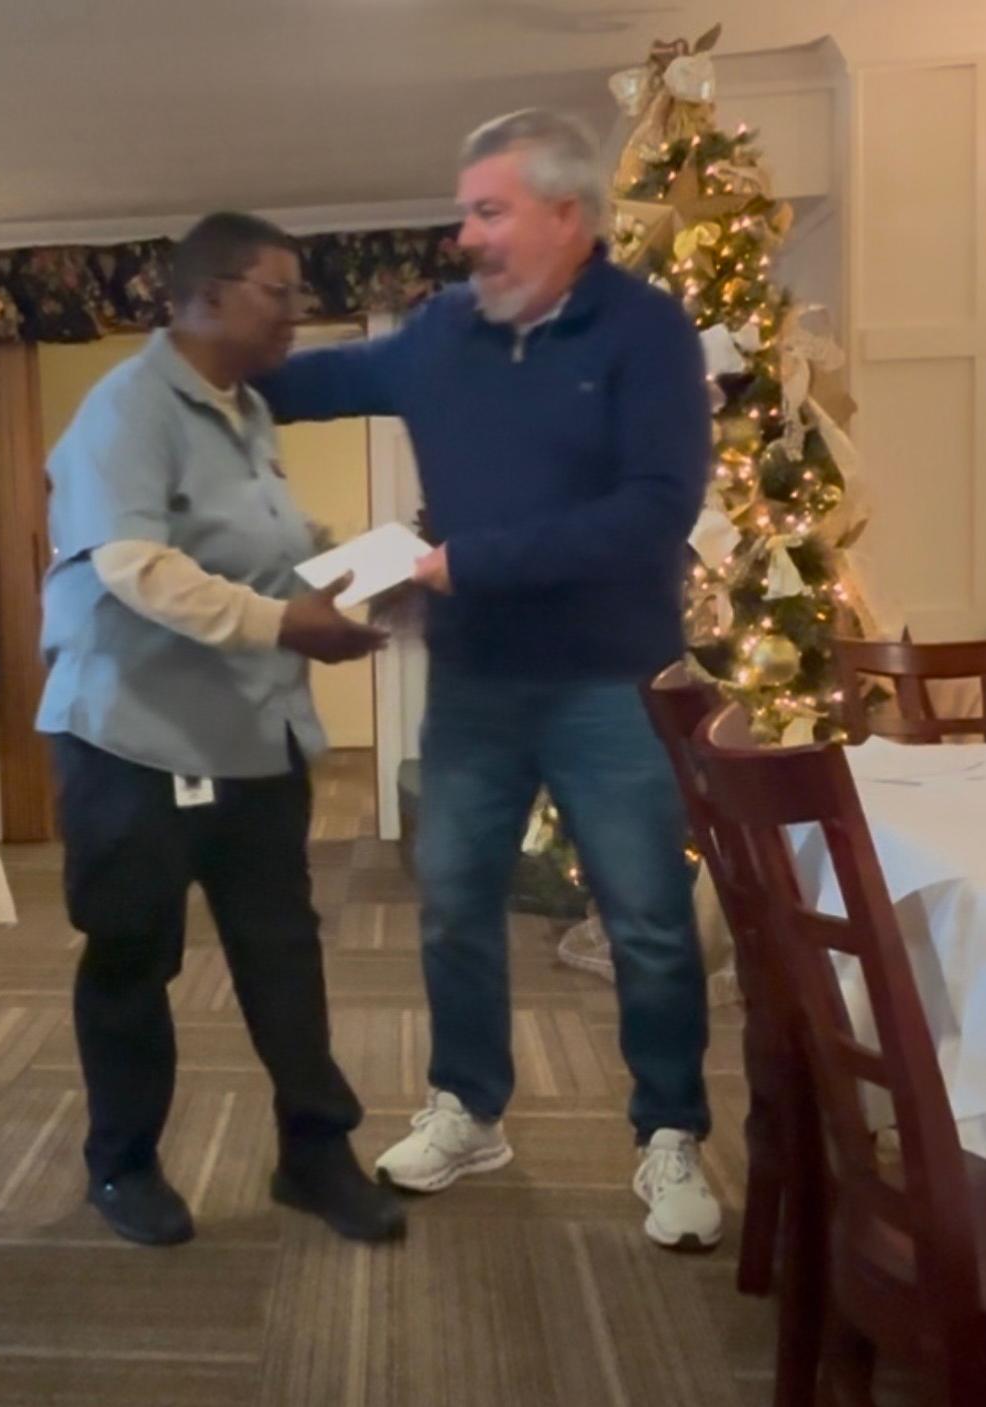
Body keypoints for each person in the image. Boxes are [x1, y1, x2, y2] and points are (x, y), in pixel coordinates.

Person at [255, 111, 721, 1250]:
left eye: (488, 211)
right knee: (455, 907)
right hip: (474, 683)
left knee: (649, 924)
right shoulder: (441, 332)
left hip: (610, 684)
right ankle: (469, 1109)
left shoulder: (648, 333)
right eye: (466, 211)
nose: (464, 235)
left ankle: (670, 1132)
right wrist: (195, 373)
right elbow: (314, 382)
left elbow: (656, 510)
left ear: (567, 215)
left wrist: (470, 562)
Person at [36, 211, 405, 1247]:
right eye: (276, 292)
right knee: (132, 957)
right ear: (203, 296)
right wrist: (289, 623)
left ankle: (314, 1155)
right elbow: (135, 566)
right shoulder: (127, 409)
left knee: (282, 952)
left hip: (251, 734)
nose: (295, 314)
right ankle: (122, 1166)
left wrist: (369, 569)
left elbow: (267, 552)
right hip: (130, 741)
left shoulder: (244, 413)